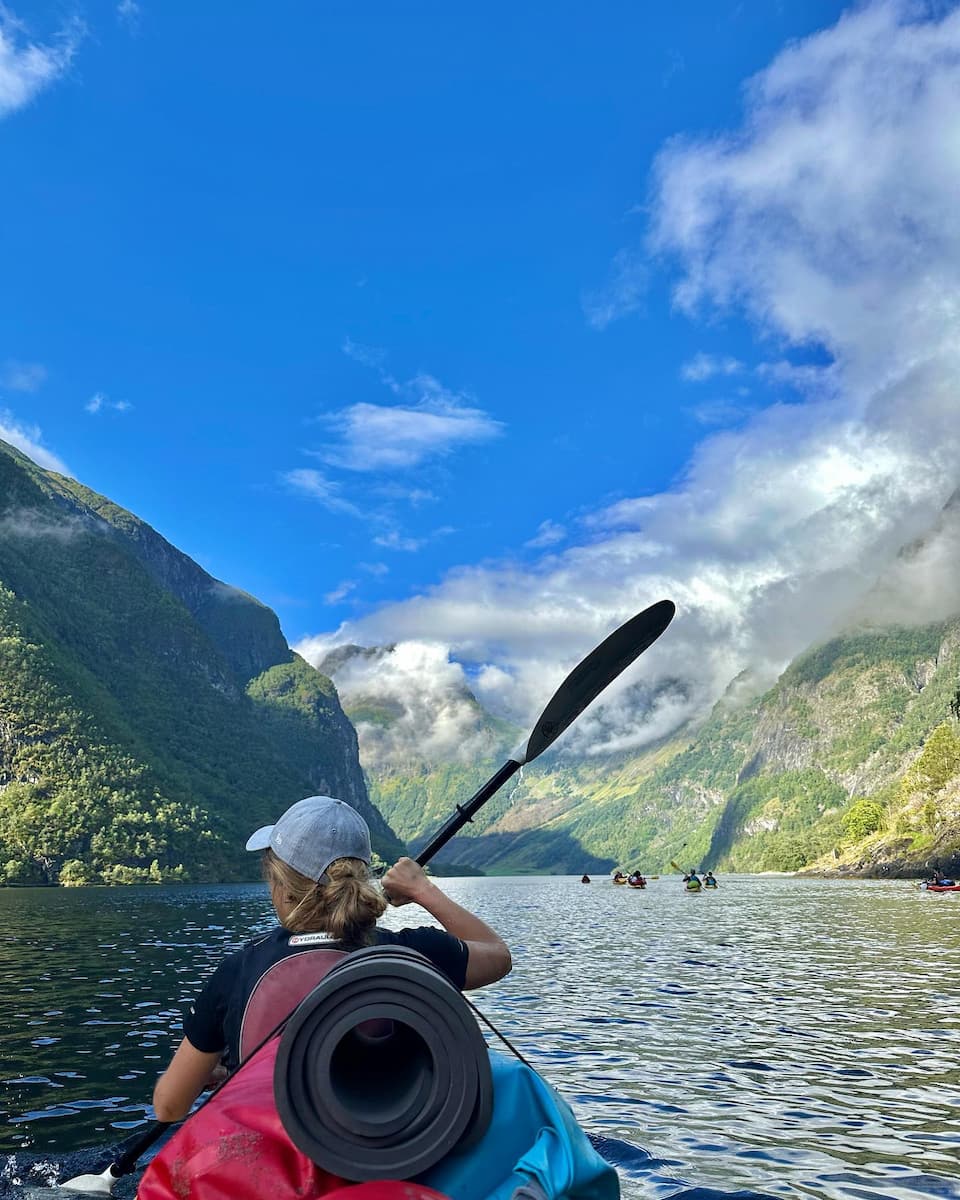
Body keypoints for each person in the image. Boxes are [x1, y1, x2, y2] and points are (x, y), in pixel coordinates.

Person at [152, 795, 512, 1123]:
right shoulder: (417, 953)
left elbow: (170, 1106)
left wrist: (230, 1071)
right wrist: (423, 889)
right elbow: (498, 956)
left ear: (281, 887)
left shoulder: (238, 971)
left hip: (274, 1166)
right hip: (391, 1156)